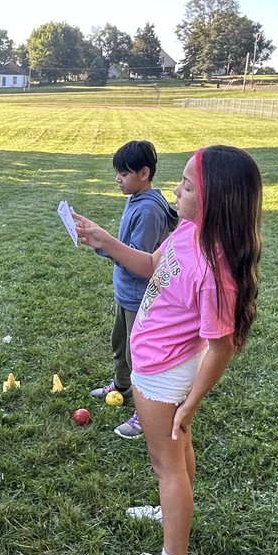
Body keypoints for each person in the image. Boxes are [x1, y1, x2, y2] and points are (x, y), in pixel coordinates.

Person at [73, 145, 262, 555]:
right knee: (176, 455)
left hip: (165, 374)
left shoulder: (215, 269)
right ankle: (170, 511)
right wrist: (105, 240)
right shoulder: (185, 233)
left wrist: (191, 403)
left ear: (216, 199)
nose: (175, 189)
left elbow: (220, 347)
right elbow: (150, 266)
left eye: (187, 185)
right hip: (155, 365)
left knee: (166, 465)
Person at [86, 141, 178, 440]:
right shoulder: (137, 198)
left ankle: (145, 412)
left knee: (140, 356)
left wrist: (104, 244)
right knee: (120, 346)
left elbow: (139, 259)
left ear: (144, 173)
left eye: (123, 173)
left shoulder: (149, 209)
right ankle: (122, 386)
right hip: (126, 294)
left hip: (141, 298)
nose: (117, 179)